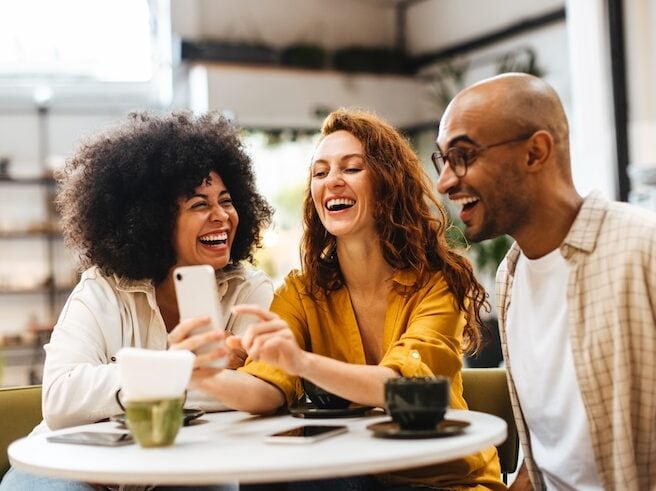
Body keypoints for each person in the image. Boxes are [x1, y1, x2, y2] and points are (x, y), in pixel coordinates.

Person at [171, 109, 505, 490]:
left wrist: (302, 362)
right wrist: (206, 377)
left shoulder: (436, 283)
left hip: (444, 479)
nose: (332, 182)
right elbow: (266, 388)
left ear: (387, 184)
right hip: (360, 475)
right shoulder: (301, 291)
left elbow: (402, 390)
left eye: (351, 168)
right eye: (320, 172)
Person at [0, 111, 274, 491]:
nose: (221, 216)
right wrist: (184, 370)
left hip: (187, 466)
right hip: (75, 465)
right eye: (199, 205)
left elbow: (260, 394)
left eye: (226, 201)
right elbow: (61, 400)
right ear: (156, 221)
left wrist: (126, 385)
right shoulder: (102, 288)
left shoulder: (249, 290)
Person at [434, 73, 656, 490]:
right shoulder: (511, 276)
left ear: (535, 152)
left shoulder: (642, 250)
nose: (445, 181)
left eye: (462, 155)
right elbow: (545, 467)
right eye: (442, 160)